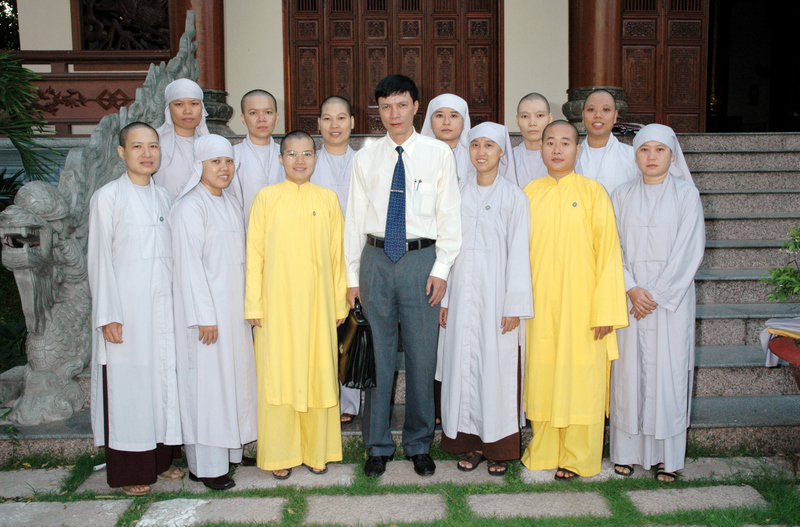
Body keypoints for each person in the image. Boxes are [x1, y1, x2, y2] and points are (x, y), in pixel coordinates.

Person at [344, 74, 462, 478]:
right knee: (376, 356)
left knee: (421, 355)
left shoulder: (438, 154)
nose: (393, 113)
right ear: (378, 111)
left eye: (401, 104)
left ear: (416, 106)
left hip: (421, 261)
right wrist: (352, 276)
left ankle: (418, 444)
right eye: (385, 106)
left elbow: (450, 216)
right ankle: (376, 445)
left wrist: (441, 269)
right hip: (375, 259)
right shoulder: (365, 158)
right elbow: (354, 220)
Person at [521, 120, 628, 479]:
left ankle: (579, 456)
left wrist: (606, 310)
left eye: (565, 142)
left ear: (577, 149)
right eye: (550, 142)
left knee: (582, 378)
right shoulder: (528, 194)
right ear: (540, 149)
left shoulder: (594, 192)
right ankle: (544, 449)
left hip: (584, 307)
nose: (557, 149)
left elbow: (609, 254)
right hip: (540, 306)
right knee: (543, 375)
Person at [245, 130, 348, 480]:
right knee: (279, 377)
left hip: (319, 307)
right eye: (292, 154)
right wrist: (254, 304)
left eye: (306, 154)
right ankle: (280, 454)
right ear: (281, 159)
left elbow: (337, 256)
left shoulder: (328, 199)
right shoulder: (266, 198)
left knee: (318, 375)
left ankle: (317, 451)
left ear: (316, 159)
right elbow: (255, 255)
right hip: (276, 308)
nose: (299, 160)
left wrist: (339, 305)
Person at [88, 122, 183, 496]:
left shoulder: (165, 198)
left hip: (162, 309)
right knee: (130, 387)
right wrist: (108, 314)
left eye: (153, 146)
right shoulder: (108, 197)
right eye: (138, 146)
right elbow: (99, 259)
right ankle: (130, 471)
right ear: (121, 152)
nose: (147, 153)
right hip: (126, 311)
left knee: (161, 383)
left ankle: (160, 460)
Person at [609, 124, 705, 482]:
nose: (651, 156)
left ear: (672, 155)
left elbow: (689, 249)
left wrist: (656, 294)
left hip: (670, 304)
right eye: (644, 149)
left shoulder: (686, 195)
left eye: (659, 150)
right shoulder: (620, 195)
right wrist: (631, 288)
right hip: (630, 300)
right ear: (635, 155)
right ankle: (626, 453)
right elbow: (611, 247)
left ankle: (668, 457)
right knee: (628, 376)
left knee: (669, 374)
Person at [437, 122, 533, 476]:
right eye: (475, 144)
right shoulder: (457, 192)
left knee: (495, 369)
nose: (481, 152)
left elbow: (520, 253)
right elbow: (447, 248)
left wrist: (514, 306)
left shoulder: (514, 197)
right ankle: (469, 442)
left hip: (497, 299)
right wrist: (446, 299)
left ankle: (498, 448)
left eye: (489, 145)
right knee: (462, 366)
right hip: (461, 296)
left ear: (501, 151)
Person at [170, 134, 259, 490]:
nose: (224, 168)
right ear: (199, 166)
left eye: (228, 161)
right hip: (207, 318)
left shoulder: (229, 202)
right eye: (215, 162)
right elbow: (188, 267)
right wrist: (204, 316)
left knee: (234, 382)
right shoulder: (190, 207)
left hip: (234, 312)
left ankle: (231, 452)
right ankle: (205, 466)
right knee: (208, 387)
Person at [313, 95, 361, 424]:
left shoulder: (364, 161)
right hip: (318, 258)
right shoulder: (309, 162)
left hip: (356, 257)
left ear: (352, 122)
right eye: (327, 118)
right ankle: (323, 395)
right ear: (318, 124)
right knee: (322, 329)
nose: (334, 125)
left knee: (352, 330)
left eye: (341, 118)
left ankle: (350, 401)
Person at [227, 89, 282, 220]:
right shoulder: (231, 156)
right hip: (244, 228)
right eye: (253, 113)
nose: (261, 119)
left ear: (276, 118)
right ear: (243, 119)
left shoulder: (287, 155)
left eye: (268, 112)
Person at [153, 79, 209, 198]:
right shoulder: (154, 143)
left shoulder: (210, 144)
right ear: (169, 109)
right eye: (179, 104)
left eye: (194, 104)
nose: (187, 111)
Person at [575, 89, 636, 195]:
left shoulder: (632, 156)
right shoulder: (571, 156)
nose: (598, 115)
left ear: (615, 116)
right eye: (591, 109)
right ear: (583, 115)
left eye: (606, 109)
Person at [420, 93, 475, 186]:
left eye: (453, 116)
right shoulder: (419, 154)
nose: (446, 122)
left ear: (464, 123)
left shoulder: (473, 156)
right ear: (430, 122)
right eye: (439, 115)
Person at [513, 93, 553, 188]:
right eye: (525, 116)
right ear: (517, 120)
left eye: (539, 115)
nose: (532, 123)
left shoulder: (561, 156)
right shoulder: (509, 159)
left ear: (550, 118)